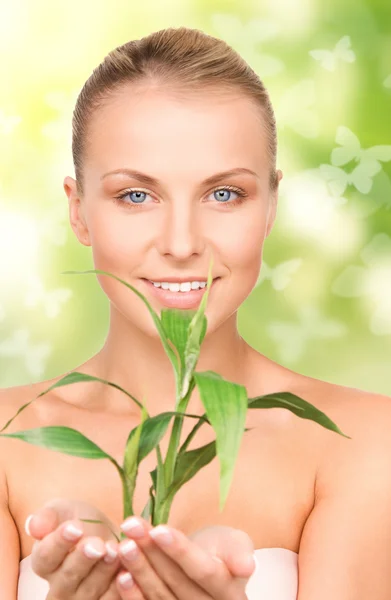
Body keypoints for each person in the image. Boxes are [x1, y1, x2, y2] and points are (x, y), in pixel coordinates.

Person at [1, 25, 391, 600]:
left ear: (270, 207)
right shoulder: (8, 442)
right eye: (136, 195)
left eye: (224, 194)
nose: (182, 243)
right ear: (78, 211)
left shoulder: (366, 442)